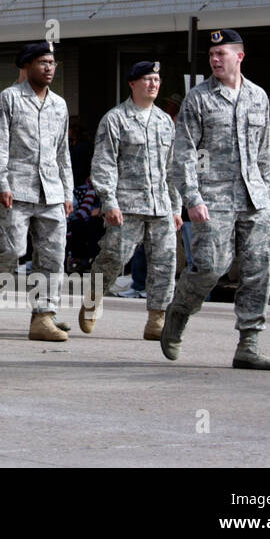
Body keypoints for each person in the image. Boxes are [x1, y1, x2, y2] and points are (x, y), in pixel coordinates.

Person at [162, 29, 270, 370]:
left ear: (239, 56)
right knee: (212, 268)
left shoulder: (258, 97)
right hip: (213, 198)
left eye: (221, 54)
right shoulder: (198, 99)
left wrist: (268, 200)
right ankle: (179, 312)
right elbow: (183, 153)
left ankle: (249, 343)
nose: (215, 59)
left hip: (254, 199)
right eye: (212, 54)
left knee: (260, 270)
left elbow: (262, 154)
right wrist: (193, 198)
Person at [0, 41, 74, 341]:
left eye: (52, 63)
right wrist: (0, 183)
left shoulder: (59, 104)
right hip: (16, 190)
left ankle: (43, 317)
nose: (48, 68)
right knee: (11, 251)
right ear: (27, 66)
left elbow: (62, 152)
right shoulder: (10, 99)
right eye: (42, 62)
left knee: (53, 257)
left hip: (52, 192)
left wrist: (68, 192)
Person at [78, 61, 181, 341]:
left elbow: (173, 168)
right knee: (115, 256)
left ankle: (156, 318)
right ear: (133, 84)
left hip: (160, 205)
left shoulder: (164, 122)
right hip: (127, 205)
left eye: (157, 80)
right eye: (147, 79)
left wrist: (176, 206)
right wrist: (109, 201)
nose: (153, 84)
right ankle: (93, 298)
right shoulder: (116, 119)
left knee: (165, 262)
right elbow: (104, 163)